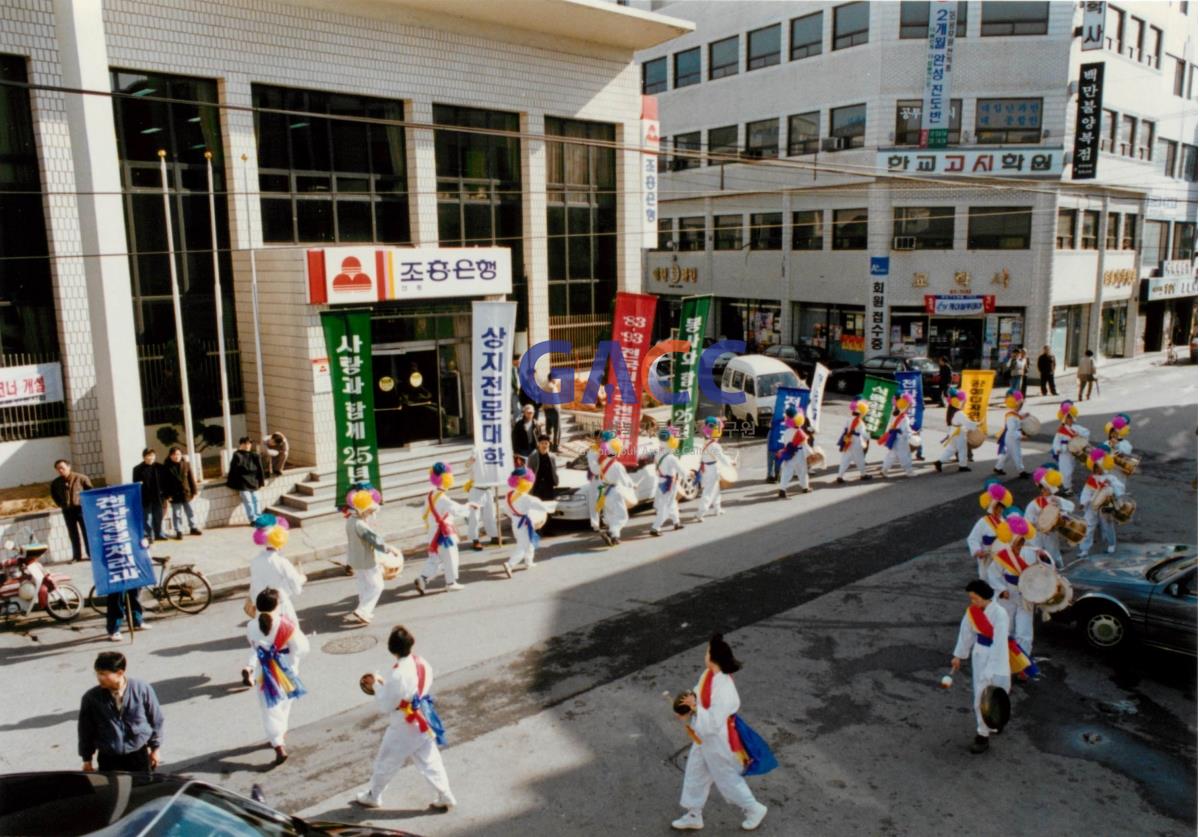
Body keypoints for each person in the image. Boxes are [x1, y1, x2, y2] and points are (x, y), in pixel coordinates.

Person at [671, 634, 769, 832]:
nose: (705, 654)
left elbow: (713, 721)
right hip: (704, 737)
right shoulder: (708, 675)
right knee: (695, 773)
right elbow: (696, 695)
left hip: (718, 740)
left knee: (726, 777)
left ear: (713, 657)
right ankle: (693, 814)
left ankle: (754, 808)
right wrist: (686, 709)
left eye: (707, 651)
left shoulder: (725, 688)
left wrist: (695, 708)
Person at [355, 626, 456, 812]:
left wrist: (377, 686)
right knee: (430, 760)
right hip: (423, 718)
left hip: (405, 724)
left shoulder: (397, 674)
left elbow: (387, 705)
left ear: (391, 649)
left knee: (386, 760)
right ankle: (445, 794)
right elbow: (410, 690)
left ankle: (374, 796)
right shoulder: (422, 662)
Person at [247, 587, 308, 765]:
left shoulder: (251, 625)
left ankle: (277, 742)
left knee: (269, 708)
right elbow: (302, 648)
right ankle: (280, 734)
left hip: (264, 672)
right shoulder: (286, 625)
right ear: (276, 605)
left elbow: (253, 646)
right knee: (284, 704)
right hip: (287, 670)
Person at [950, 580, 1012, 755]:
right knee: (981, 695)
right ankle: (982, 735)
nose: (972, 602)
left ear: (985, 597)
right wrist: (958, 656)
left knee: (1000, 691)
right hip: (980, 655)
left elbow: (999, 643)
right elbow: (966, 633)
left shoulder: (1000, 613)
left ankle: (996, 720)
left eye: (974, 598)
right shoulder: (972, 612)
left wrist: (991, 670)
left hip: (997, 656)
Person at [242, 517, 305, 686]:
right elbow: (295, 583)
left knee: (261, 637)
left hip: (261, 604)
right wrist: (302, 579)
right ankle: (289, 673)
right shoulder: (281, 562)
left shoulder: (255, 561)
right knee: (291, 638)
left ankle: (251, 666)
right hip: (280, 605)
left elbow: (254, 584)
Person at [78, 651, 164, 773]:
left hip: (137, 754)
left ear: (120, 673)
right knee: (114, 791)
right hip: (109, 758)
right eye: (97, 673)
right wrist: (87, 759)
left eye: (103, 674)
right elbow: (85, 730)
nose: (99, 678)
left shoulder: (141, 689)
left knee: (141, 790)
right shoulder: (91, 698)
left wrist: (155, 749)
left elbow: (156, 719)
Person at [985, 514, 1040, 671]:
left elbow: (1044, 572)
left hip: (1026, 596)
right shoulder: (1003, 556)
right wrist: (1001, 590)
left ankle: (1023, 664)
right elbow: (993, 573)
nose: (1019, 545)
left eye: (1021, 542)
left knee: (1024, 631)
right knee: (1005, 626)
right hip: (1008, 595)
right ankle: (1005, 659)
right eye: (1016, 542)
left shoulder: (1032, 553)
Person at [415, 463, 475, 595]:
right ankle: (451, 583)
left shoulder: (429, 495)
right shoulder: (443, 498)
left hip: (432, 533)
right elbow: (458, 510)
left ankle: (423, 579)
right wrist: (470, 505)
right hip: (444, 535)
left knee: (434, 558)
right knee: (451, 557)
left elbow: (424, 513)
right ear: (447, 478)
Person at [345, 488, 403, 623]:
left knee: (363, 585)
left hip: (355, 559)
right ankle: (363, 611)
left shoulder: (350, 521)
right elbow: (375, 540)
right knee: (377, 586)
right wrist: (388, 549)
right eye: (369, 511)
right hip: (367, 560)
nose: (370, 513)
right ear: (363, 510)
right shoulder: (360, 525)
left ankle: (362, 610)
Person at [500, 467, 554, 577]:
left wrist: (514, 516)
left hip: (515, 521)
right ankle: (509, 564)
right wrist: (555, 504)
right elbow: (542, 507)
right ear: (527, 482)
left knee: (529, 543)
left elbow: (505, 509)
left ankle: (528, 562)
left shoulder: (509, 494)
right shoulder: (527, 498)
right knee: (523, 546)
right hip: (524, 523)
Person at [1024, 466, 1074, 569]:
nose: (1046, 491)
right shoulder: (1033, 504)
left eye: (1048, 489)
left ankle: (1060, 571)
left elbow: (1070, 507)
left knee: (1054, 555)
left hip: (1051, 534)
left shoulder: (1056, 500)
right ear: (1041, 489)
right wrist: (1040, 526)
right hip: (1037, 535)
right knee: (1037, 556)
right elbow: (1028, 522)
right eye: (1045, 489)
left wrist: (1063, 515)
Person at [1078, 444, 1123, 557]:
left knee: (1107, 526)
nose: (1097, 469)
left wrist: (1111, 485)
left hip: (1105, 507)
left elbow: (1120, 488)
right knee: (1088, 526)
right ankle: (1084, 549)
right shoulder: (1091, 479)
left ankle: (1111, 544)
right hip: (1091, 507)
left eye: (1098, 467)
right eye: (1095, 467)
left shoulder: (1111, 478)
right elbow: (1086, 492)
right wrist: (1083, 503)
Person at [967, 480, 1011, 579]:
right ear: (991, 507)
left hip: (1001, 558)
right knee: (986, 578)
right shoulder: (983, 522)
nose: (999, 510)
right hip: (987, 557)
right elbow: (972, 538)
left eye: (1001, 507)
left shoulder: (1004, 522)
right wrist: (977, 550)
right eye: (997, 507)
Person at [50, 459, 93, 563]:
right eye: (58, 469)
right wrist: (61, 504)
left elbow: (90, 492)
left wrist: (86, 504)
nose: (60, 470)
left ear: (69, 467)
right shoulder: (56, 483)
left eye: (62, 468)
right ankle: (76, 556)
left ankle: (90, 554)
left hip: (81, 509)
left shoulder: (81, 478)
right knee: (73, 533)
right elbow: (54, 495)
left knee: (86, 532)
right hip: (68, 510)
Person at [597, 431, 635, 546]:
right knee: (622, 516)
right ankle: (611, 533)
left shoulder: (601, 463)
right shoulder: (617, 465)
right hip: (615, 492)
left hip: (604, 492)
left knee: (610, 515)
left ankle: (614, 536)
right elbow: (625, 481)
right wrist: (633, 485)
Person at [694, 417, 734, 523]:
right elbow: (721, 458)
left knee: (716, 489)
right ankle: (700, 513)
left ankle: (717, 508)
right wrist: (731, 463)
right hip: (711, 469)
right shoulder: (714, 445)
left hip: (707, 468)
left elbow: (720, 456)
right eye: (720, 429)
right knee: (709, 491)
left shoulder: (705, 441)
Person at [651, 427, 686, 535]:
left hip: (661, 482)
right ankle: (655, 528)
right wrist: (690, 475)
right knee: (666, 506)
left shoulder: (658, 454)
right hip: (670, 484)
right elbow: (682, 471)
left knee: (672, 503)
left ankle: (676, 522)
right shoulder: (671, 457)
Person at [161, 446, 201, 539]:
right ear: (170, 455)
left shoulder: (186, 464)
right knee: (177, 514)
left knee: (190, 511)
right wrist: (167, 495)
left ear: (181, 455)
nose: (176, 456)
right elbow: (164, 483)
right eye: (174, 454)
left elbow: (191, 478)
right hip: (174, 495)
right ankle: (179, 531)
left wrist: (194, 491)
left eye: (178, 454)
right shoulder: (166, 467)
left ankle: (193, 528)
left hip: (186, 493)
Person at [463, 449, 498, 551]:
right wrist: (471, 460)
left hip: (488, 490)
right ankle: (475, 540)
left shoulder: (490, 458)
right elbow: (466, 467)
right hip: (476, 491)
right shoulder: (474, 456)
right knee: (474, 516)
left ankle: (494, 536)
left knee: (490, 514)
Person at [1050, 401, 1087, 497]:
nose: (1069, 419)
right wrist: (1058, 449)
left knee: (1071, 468)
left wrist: (1079, 434)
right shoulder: (1060, 431)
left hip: (1074, 452)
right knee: (1065, 470)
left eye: (1070, 417)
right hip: (1064, 453)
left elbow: (1086, 433)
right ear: (1063, 418)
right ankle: (1068, 488)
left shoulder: (1077, 428)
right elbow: (1056, 442)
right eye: (1067, 417)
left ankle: (1067, 484)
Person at [935, 388, 976, 473]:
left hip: (952, 431)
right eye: (960, 400)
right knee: (962, 449)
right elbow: (968, 423)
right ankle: (963, 466)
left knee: (952, 448)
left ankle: (939, 462)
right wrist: (977, 425)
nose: (961, 401)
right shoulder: (959, 413)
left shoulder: (951, 409)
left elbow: (961, 411)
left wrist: (964, 402)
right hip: (958, 433)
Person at [227, 437, 266, 524]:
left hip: (253, 481)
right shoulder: (237, 455)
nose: (248, 446)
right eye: (246, 444)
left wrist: (261, 482)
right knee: (248, 500)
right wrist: (232, 483)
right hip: (243, 482)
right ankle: (253, 519)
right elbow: (234, 469)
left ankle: (258, 517)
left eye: (249, 444)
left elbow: (260, 469)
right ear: (241, 444)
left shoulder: (254, 455)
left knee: (256, 499)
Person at [992, 390, 1030, 479]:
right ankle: (1021, 471)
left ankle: (998, 467)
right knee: (1017, 454)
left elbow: (1018, 417)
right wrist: (1021, 436)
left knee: (1008, 454)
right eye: (1020, 402)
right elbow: (1012, 430)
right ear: (1016, 402)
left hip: (1011, 437)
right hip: (1012, 437)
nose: (1022, 403)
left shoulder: (1013, 413)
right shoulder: (1011, 415)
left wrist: (1023, 416)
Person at [776, 407, 812, 497]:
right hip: (799, 454)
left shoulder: (787, 431)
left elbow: (785, 443)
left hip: (789, 454)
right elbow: (805, 445)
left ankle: (782, 489)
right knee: (802, 471)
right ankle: (805, 487)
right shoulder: (800, 432)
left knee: (787, 472)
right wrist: (810, 453)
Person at [132, 448, 166, 543]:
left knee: (158, 516)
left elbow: (165, 483)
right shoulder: (137, 469)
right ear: (144, 457)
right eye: (148, 456)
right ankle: (149, 536)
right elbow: (136, 485)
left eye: (152, 455)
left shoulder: (160, 467)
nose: (151, 458)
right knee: (147, 518)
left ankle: (159, 533)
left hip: (158, 496)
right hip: (145, 497)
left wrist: (165, 495)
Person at [878, 394, 915, 479]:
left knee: (891, 455)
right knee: (905, 456)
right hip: (901, 440)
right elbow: (903, 431)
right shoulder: (904, 418)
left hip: (895, 439)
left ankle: (884, 470)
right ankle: (909, 472)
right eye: (909, 405)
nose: (910, 406)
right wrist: (911, 433)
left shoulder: (897, 415)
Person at [835, 399, 872, 483]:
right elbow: (864, 435)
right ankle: (863, 475)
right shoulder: (861, 423)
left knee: (845, 460)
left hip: (848, 441)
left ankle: (840, 476)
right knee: (860, 459)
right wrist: (869, 435)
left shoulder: (849, 420)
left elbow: (844, 430)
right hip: (856, 443)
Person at [525, 435, 559, 502]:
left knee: (548, 508)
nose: (544, 445)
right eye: (542, 443)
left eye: (546, 443)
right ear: (538, 444)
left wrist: (556, 481)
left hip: (548, 487)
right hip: (537, 487)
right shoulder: (533, 457)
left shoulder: (552, 457)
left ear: (549, 444)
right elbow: (529, 473)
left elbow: (554, 471)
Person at [583, 430, 603, 532]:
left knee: (606, 500)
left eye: (602, 438)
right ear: (595, 439)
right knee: (595, 501)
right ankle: (595, 524)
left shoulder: (607, 449)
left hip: (606, 477)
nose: (600, 440)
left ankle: (606, 521)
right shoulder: (592, 451)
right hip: (596, 478)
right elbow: (593, 467)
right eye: (598, 438)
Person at [543, 379, 562, 451]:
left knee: (548, 429)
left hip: (546, 410)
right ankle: (556, 447)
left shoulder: (544, 387)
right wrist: (556, 409)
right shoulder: (553, 387)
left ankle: (550, 446)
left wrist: (545, 409)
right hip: (554, 409)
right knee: (557, 429)